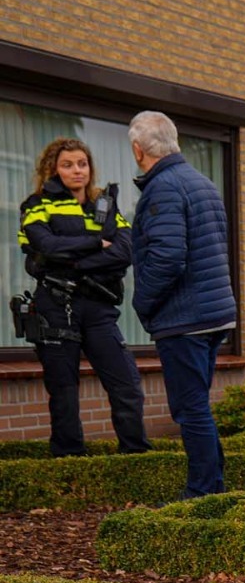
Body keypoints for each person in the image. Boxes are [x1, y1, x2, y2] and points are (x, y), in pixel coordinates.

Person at [16, 138, 151, 456]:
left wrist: (73, 261)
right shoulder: (36, 205)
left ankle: (136, 457)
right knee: (64, 392)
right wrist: (94, 244)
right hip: (56, 306)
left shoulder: (105, 204)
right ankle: (69, 460)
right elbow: (45, 247)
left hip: (99, 307)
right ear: (53, 169)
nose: (77, 170)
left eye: (82, 163)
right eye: (67, 165)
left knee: (126, 383)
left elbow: (125, 251)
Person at [128, 111, 236, 498]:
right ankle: (213, 487)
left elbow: (168, 257)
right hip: (212, 313)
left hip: (185, 318)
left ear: (138, 150)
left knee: (190, 409)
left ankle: (202, 494)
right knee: (197, 406)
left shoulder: (163, 188)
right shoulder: (201, 182)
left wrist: (142, 303)